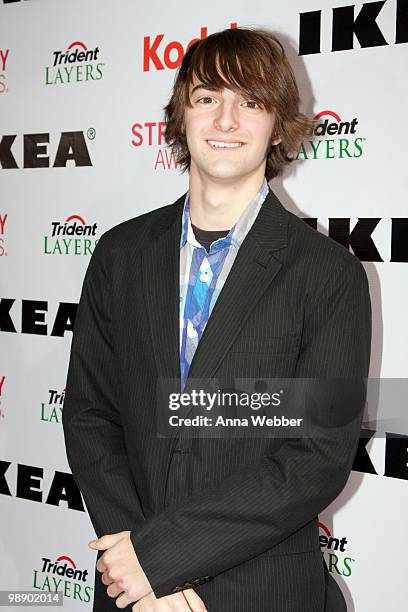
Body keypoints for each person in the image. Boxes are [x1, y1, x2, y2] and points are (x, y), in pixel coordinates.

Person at [62, 26, 372, 612]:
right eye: (208, 98)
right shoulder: (120, 255)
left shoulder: (329, 274)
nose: (226, 120)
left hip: (263, 589)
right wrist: (140, 571)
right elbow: (89, 415)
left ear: (277, 127)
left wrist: (161, 558)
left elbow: (314, 458)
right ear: (181, 117)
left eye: (250, 102)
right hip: (131, 590)